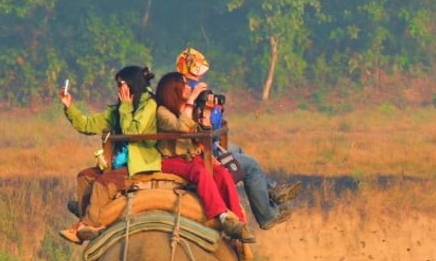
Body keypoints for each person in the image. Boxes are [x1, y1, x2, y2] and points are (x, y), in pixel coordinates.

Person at [175, 47, 301, 230]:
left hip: (203, 143)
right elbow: (204, 125)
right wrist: (209, 110)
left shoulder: (176, 87)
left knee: (237, 150)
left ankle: (272, 189)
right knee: (251, 165)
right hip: (199, 150)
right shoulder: (189, 92)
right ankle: (267, 216)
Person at [58, 65, 160, 243]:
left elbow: (133, 132)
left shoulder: (149, 105)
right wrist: (69, 107)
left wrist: (127, 107)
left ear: (132, 85)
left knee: (103, 183)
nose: (118, 89)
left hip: (139, 164)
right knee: (85, 176)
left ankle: (86, 225)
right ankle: (87, 214)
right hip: (118, 162)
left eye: (121, 84)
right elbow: (88, 125)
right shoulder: (118, 110)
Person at [154, 72, 255, 243]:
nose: (188, 88)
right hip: (171, 159)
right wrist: (192, 100)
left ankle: (239, 223)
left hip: (191, 157)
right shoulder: (162, 112)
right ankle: (222, 215)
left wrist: (206, 113)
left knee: (222, 173)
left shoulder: (187, 109)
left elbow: (200, 134)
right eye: (184, 85)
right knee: (200, 172)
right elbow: (182, 128)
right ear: (173, 89)